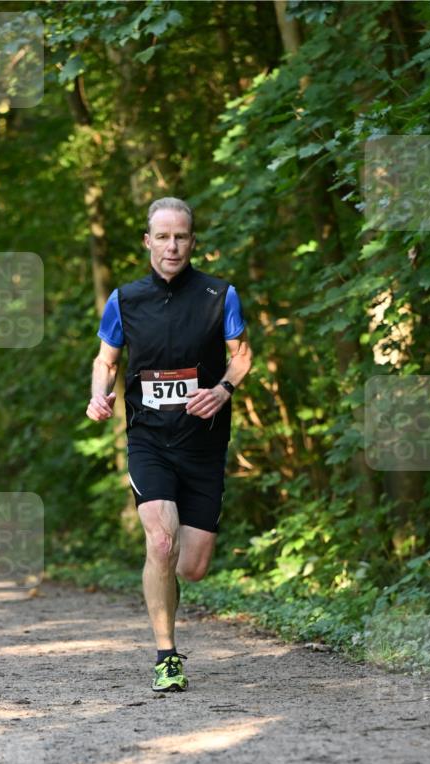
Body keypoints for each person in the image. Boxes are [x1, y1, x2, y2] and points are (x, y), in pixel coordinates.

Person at [86, 197, 252, 693]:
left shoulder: (219, 294)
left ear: (193, 241)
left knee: (192, 566)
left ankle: (164, 575)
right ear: (147, 242)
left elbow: (241, 357)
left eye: (181, 236)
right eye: (162, 236)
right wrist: (99, 395)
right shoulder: (124, 299)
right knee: (160, 541)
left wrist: (222, 390)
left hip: (203, 444)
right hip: (149, 439)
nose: (172, 246)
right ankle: (166, 655)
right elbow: (106, 362)